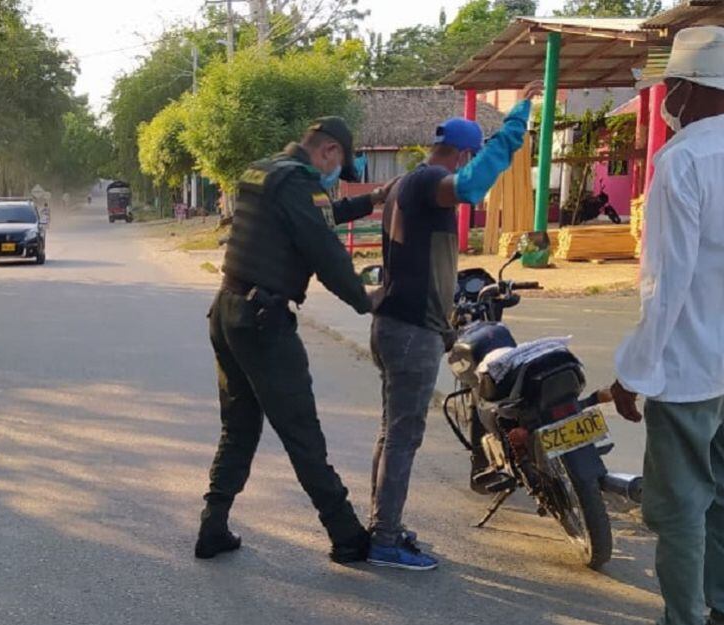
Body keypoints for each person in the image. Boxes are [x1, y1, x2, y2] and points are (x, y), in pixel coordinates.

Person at [610, 26, 724, 625]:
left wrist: (634, 372)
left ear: (685, 90)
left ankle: (685, 618)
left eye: (670, 88)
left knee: (681, 508)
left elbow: (665, 282)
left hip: (688, 372)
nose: (667, 102)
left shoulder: (681, 162)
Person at [197, 117, 395, 563]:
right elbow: (324, 250)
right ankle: (346, 536)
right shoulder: (298, 184)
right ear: (328, 152)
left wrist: (373, 200)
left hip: (227, 310)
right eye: (339, 167)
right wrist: (368, 300)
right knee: (302, 434)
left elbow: (318, 216)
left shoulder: (266, 171)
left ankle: (213, 525)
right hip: (263, 322)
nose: (335, 179)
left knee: (239, 427)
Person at [366, 82, 540, 571]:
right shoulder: (430, 182)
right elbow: (470, 187)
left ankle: (385, 524)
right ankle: (383, 538)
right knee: (403, 437)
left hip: (396, 326)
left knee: (392, 432)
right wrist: (515, 123)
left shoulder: (406, 185)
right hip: (409, 333)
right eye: (470, 157)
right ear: (464, 153)